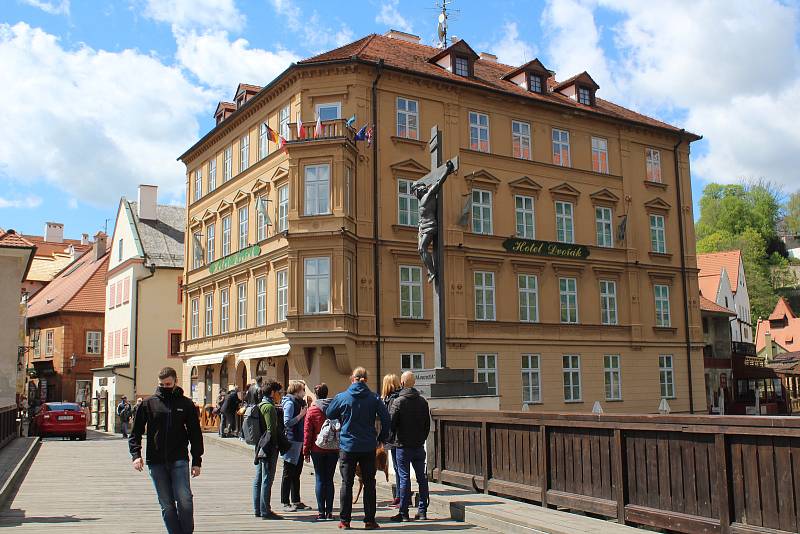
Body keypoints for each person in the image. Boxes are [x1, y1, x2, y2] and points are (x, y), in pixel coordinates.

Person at [129, 367, 203, 534]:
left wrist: (197, 461)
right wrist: (136, 455)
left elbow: (195, 433)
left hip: (179, 459)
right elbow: (136, 432)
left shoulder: (186, 404)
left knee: (184, 499)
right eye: (161, 384)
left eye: (168, 384)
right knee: (167, 504)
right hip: (156, 461)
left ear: (175, 382)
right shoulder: (148, 403)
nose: (164, 387)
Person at [326, 367, 391, 530]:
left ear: (352, 379)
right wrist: (381, 438)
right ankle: (369, 520)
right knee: (370, 483)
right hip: (368, 446)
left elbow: (329, 413)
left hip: (347, 446)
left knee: (346, 482)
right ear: (366, 380)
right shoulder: (374, 398)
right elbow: (386, 419)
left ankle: (345, 520)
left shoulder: (342, 397)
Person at [389, 371, 431, 522]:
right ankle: (422, 510)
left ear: (402, 383)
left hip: (403, 445)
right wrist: (420, 439)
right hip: (419, 446)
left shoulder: (398, 402)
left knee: (404, 477)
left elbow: (391, 425)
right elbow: (427, 425)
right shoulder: (423, 402)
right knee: (422, 478)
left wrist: (390, 439)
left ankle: (404, 512)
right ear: (414, 383)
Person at [303, 383, 338, 521]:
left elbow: (307, 432)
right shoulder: (334, 407)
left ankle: (321, 512)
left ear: (316, 395)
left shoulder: (312, 410)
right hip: (333, 447)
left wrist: (305, 450)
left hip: (317, 448)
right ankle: (329, 512)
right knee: (329, 479)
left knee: (319, 478)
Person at [253, 380, 283, 520]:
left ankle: (258, 509)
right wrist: (278, 445)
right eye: (279, 392)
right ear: (272, 393)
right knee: (267, 478)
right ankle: (266, 510)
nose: (280, 395)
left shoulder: (260, 404)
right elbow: (272, 430)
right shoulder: (269, 407)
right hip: (268, 447)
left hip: (259, 444)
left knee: (258, 478)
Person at [280, 380, 309, 512]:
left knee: (297, 472)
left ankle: (296, 500)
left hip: (299, 441)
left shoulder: (300, 402)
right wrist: (300, 415)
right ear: (297, 391)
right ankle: (285, 502)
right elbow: (287, 422)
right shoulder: (290, 403)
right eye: (303, 389)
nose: (304, 392)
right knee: (288, 473)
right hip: (292, 441)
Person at [380, 374, 402, 507]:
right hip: (395, 438)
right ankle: (400, 496)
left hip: (395, 438)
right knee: (398, 468)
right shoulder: (393, 398)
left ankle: (400, 497)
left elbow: (389, 420)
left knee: (399, 469)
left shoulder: (392, 399)